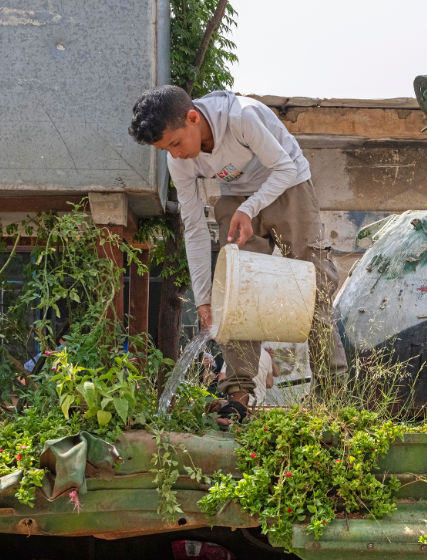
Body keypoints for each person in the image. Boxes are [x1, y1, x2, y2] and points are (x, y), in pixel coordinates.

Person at [127, 85, 346, 405]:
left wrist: (249, 208)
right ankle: (238, 396)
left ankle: (333, 397)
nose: (174, 154)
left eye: (175, 143)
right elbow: (195, 229)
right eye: (166, 150)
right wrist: (203, 299)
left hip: (289, 184)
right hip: (238, 196)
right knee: (238, 292)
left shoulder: (242, 116)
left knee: (313, 288)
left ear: (192, 118)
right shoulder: (180, 161)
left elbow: (284, 168)